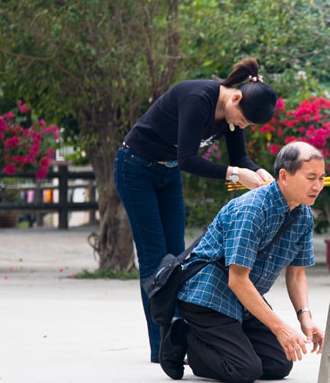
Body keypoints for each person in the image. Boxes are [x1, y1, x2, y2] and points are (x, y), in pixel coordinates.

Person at [114, 57, 277, 362]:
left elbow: (239, 157)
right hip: (135, 168)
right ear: (236, 97)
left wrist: (259, 172)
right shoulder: (197, 98)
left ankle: (181, 340)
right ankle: (162, 348)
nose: (240, 125)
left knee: (177, 260)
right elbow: (190, 159)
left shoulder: (231, 112)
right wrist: (235, 174)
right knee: (154, 260)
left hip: (168, 171)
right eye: (242, 120)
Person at [158, 141, 326, 383]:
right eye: (311, 177)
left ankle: (228, 340)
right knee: (244, 370)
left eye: (322, 178)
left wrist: (305, 319)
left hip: (243, 300)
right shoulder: (252, 209)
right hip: (207, 295)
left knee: (279, 363)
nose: (317, 186)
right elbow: (237, 280)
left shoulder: (303, 215)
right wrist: (280, 328)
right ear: (284, 176)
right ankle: (184, 338)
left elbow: (297, 273)